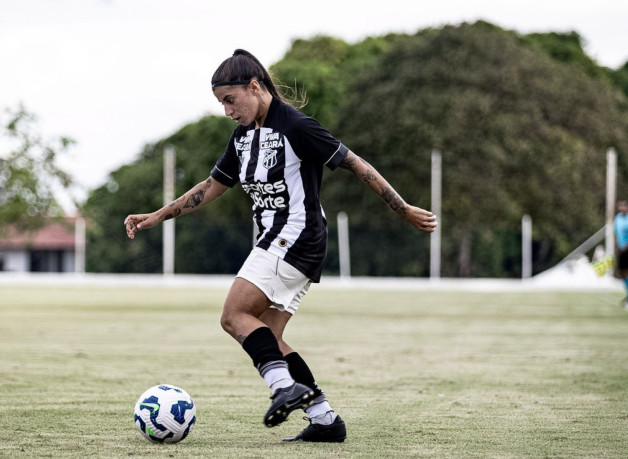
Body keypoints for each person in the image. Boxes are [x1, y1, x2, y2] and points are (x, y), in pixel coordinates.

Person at [124, 49, 437, 443]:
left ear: (254, 87)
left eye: (230, 100)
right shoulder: (242, 138)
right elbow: (209, 188)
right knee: (268, 336)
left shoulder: (297, 126)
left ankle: (283, 388)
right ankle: (325, 420)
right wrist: (157, 215)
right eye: (220, 102)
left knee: (233, 315)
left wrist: (402, 207)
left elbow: (355, 163)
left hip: (296, 236)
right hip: (282, 241)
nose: (226, 110)